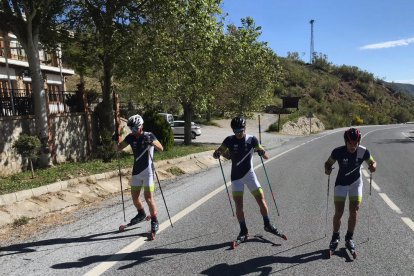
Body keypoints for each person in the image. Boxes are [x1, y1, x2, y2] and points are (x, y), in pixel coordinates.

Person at [213, 116, 285, 241]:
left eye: (241, 131)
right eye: (236, 131)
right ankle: (243, 230)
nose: (239, 134)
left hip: (249, 175)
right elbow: (219, 152)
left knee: (261, 200)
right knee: (239, 205)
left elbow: (266, 156)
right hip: (236, 178)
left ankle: (267, 224)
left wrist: (262, 152)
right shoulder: (229, 140)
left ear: (245, 128)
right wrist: (217, 154)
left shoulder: (252, 140)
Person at [324, 127, 376, 253]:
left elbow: (373, 162)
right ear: (345, 141)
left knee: (354, 211)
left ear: (359, 141)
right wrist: (327, 169)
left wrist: (373, 166)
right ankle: (335, 236)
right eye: (350, 143)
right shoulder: (338, 152)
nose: (353, 146)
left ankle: (349, 237)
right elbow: (328, 164)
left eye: (356, 143)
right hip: (341, 184)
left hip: (355, 184)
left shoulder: (363, 151)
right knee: (339, 212)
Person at [116, 114, 164, 234]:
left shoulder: (149, 135)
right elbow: (118, 148)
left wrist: (152, 142)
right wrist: (117, 137)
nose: (133, 131)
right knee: (135, 198)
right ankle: (141, 213)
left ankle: (154, 220)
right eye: (131, 129)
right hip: (136, 171)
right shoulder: (131, 137)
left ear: (141, 126)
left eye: (135, 129)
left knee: (148, 198)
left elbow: (161, 148)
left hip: (148, 172)